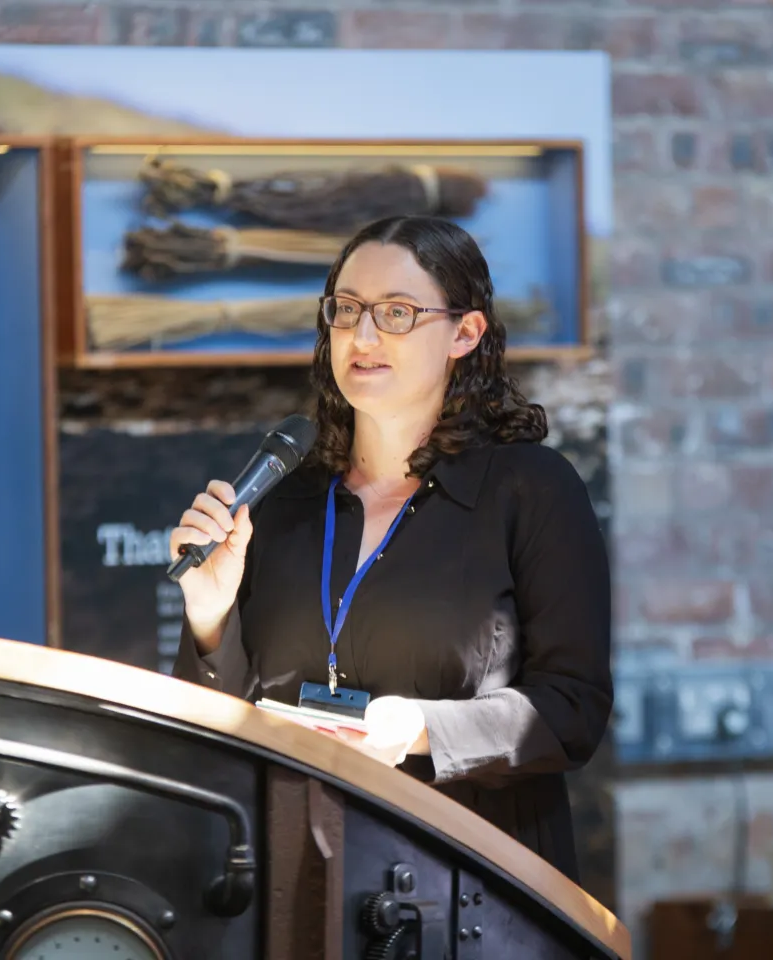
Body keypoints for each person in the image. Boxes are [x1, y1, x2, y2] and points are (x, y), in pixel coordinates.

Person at [171, 215, 612, 881]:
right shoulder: (282, 495)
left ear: (464, 333)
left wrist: (422, 729)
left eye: (397, 313)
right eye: (346, 310)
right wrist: (209, 616)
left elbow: (573, 709)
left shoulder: (531, 490)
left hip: (470, 880)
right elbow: (223, 723)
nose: (363, 335)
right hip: (295, 870)